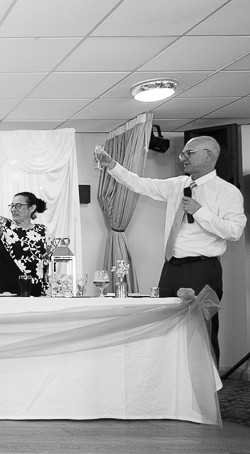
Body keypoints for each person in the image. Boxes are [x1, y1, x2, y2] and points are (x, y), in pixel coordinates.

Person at [96, 137, 246, 364]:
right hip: (171, 267)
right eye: (183, 154)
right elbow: (139, 184)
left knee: (202, 331)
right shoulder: (177, 184)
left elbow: (234, 232)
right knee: (166, 328)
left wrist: (201, 212)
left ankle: (207, 394)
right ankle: (173, 388)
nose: (182, 157)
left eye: (189, 153)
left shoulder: (227, 192)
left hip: (202, 268)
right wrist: (111, 165)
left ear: (208, 155)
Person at [0, 175, 49, 296]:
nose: (13, 209)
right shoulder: (5, 226)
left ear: (32, 208)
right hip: (6, 286)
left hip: (34, 287)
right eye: (12, 205)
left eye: (18, 205)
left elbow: (48, 260)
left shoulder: (42, 230)